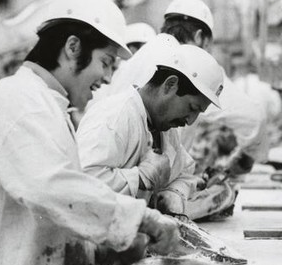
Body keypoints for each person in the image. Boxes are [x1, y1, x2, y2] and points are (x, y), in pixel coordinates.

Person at [0, 0, 179, 265]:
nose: (108, 78)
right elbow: (49, 186)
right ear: (72, 47)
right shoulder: (17, 98)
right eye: (106, 62)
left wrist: (101, 249)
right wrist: (139, 219)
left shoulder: (46, 104)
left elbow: (55, 209)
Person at [76, 43, 224, 216]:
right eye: (192, 108)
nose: (191, 121)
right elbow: (81, 184)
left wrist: (174, 193)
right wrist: (138, 178)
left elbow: (184, 171)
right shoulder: (114, 117)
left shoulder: (164, 128)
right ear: (170, 85)